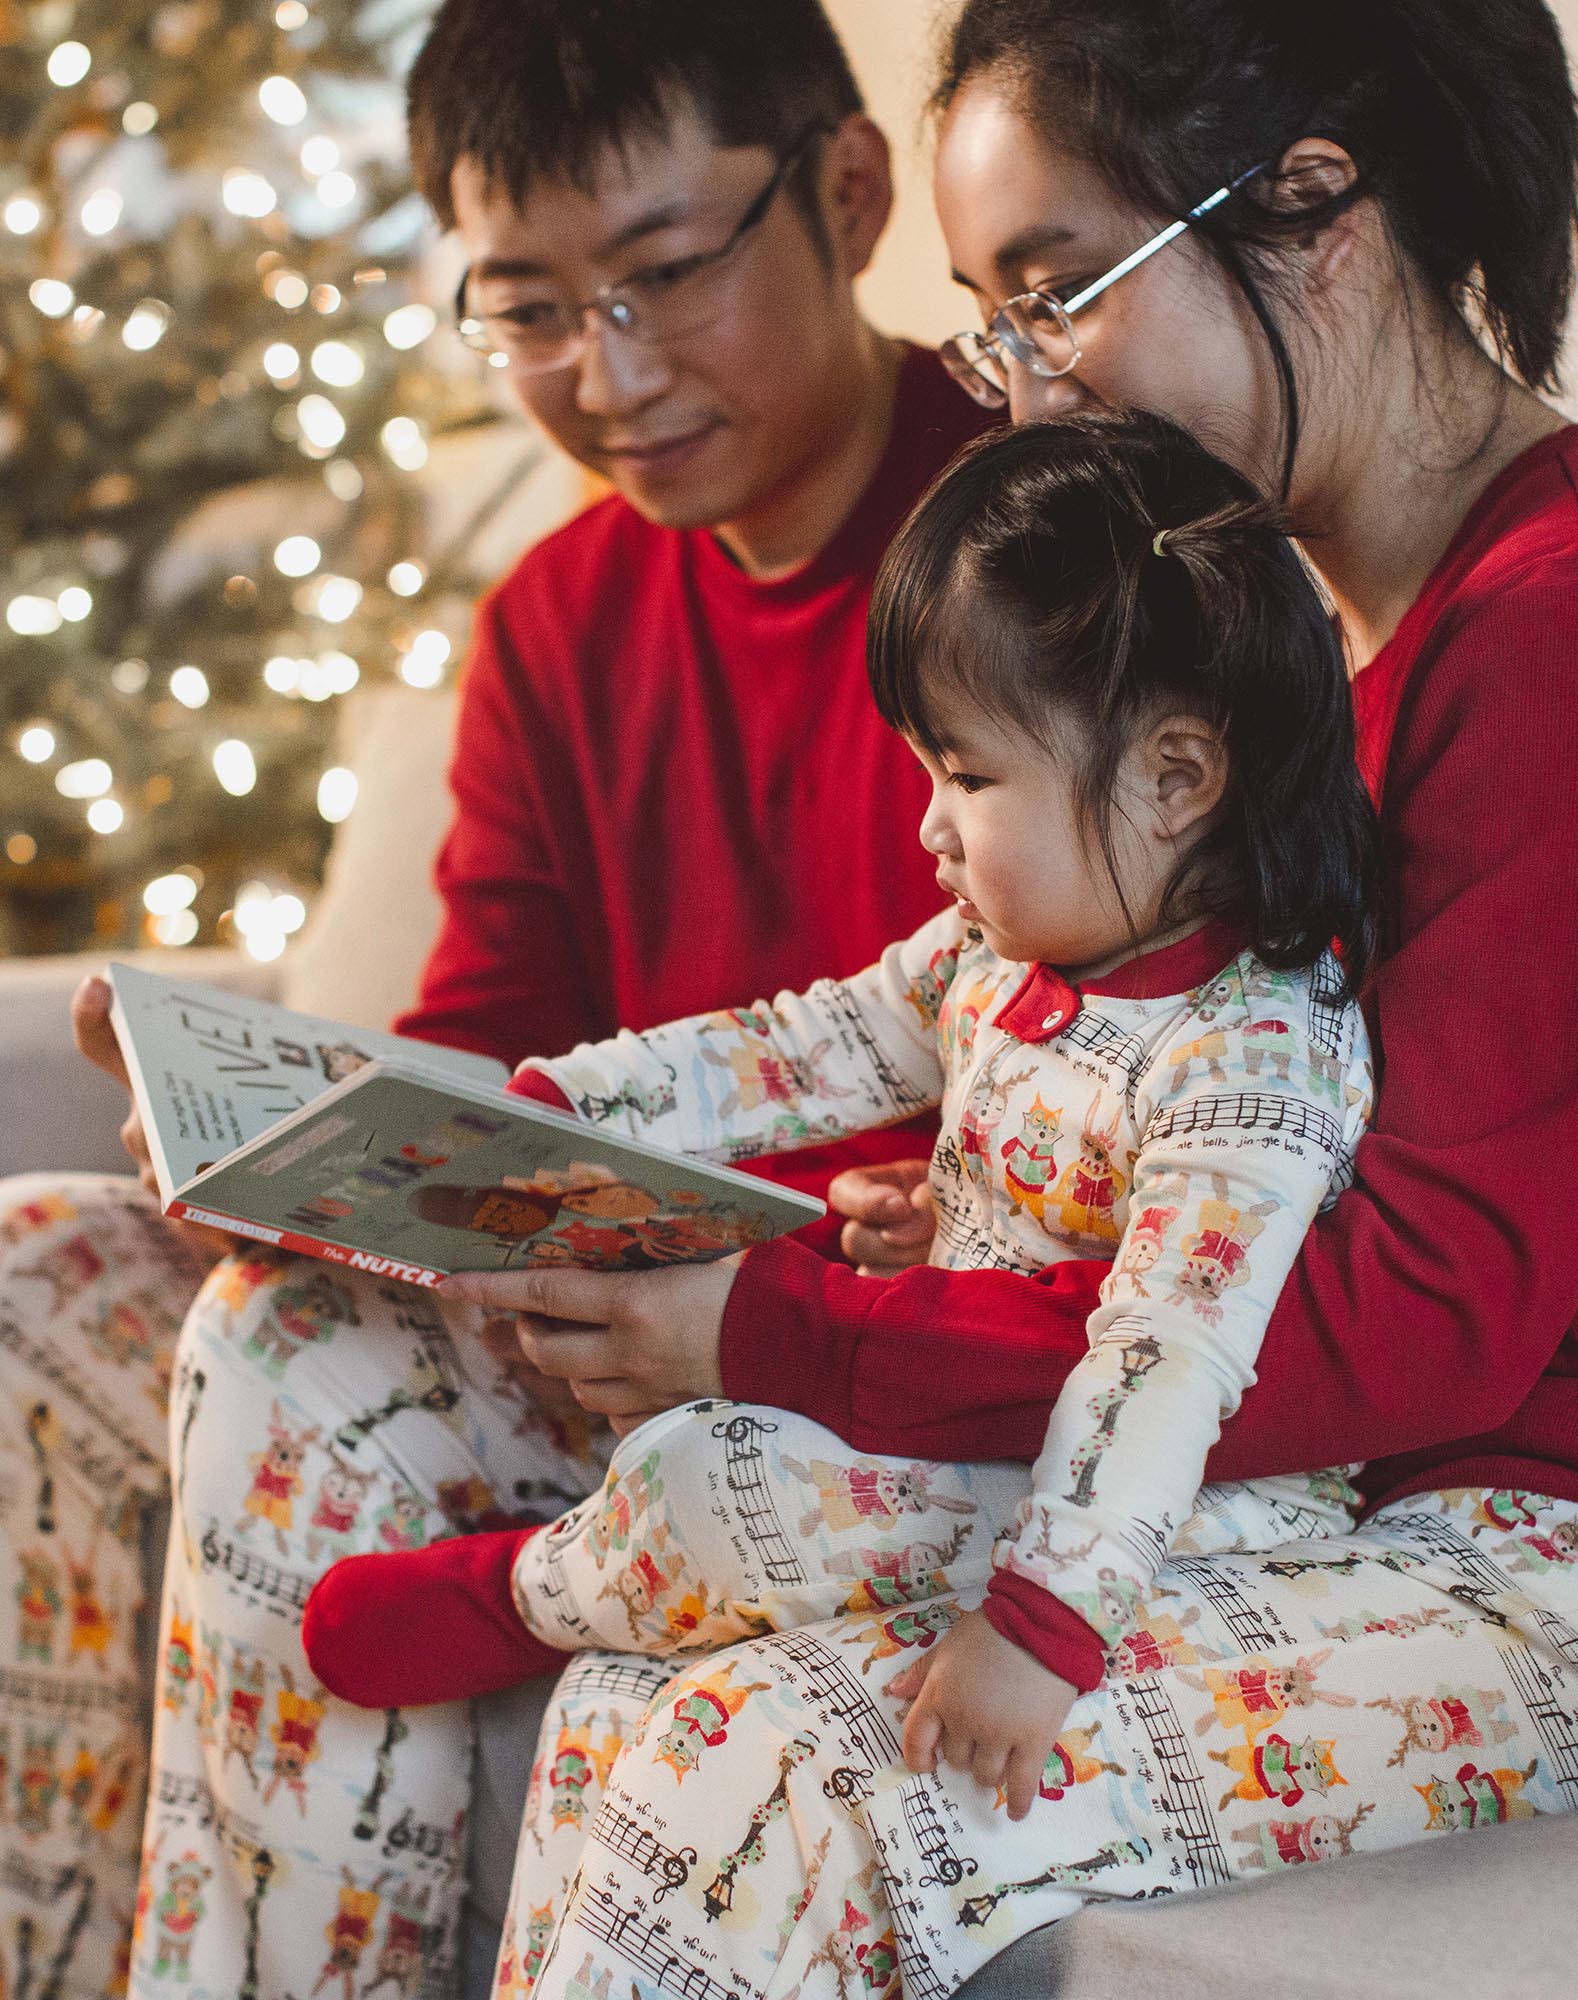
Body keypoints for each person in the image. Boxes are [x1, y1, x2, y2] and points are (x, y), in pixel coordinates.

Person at [465, 1, 1578, 1995]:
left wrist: (794, 1337)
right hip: (1408, 1501)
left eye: (1055, 296)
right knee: (629, 1706)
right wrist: (1019, 1214)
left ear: (1313, 212)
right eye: (991, 325)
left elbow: (1421, 1312)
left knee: (767, 1777)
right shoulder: (1290, 651)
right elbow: (1292, 1149)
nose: (1020, 396)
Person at [0, 4, 993, 1995]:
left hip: (878, 1369)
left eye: (659, 278)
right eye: (527, 308)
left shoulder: (1041, 552)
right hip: (596, 1312)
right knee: (38, 1267)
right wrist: (277, 1133)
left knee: (299, 1371)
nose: (604, 377)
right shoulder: (561, 614)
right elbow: (486, 1044)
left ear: (851, 192)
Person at [298, 411, 1382, 1815]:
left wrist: (1041, 1634)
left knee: (732, 1468)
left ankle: (528, 1592)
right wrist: (557, 1102)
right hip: (977, 1419)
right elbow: (799, 1048)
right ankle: (575, 1566)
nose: (930, 827)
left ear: (1176, 778)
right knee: (732, 1420)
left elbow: (1165, 1367)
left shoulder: (1255, 1053)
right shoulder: (996, 956)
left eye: (971, 777)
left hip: (1185, 1515)